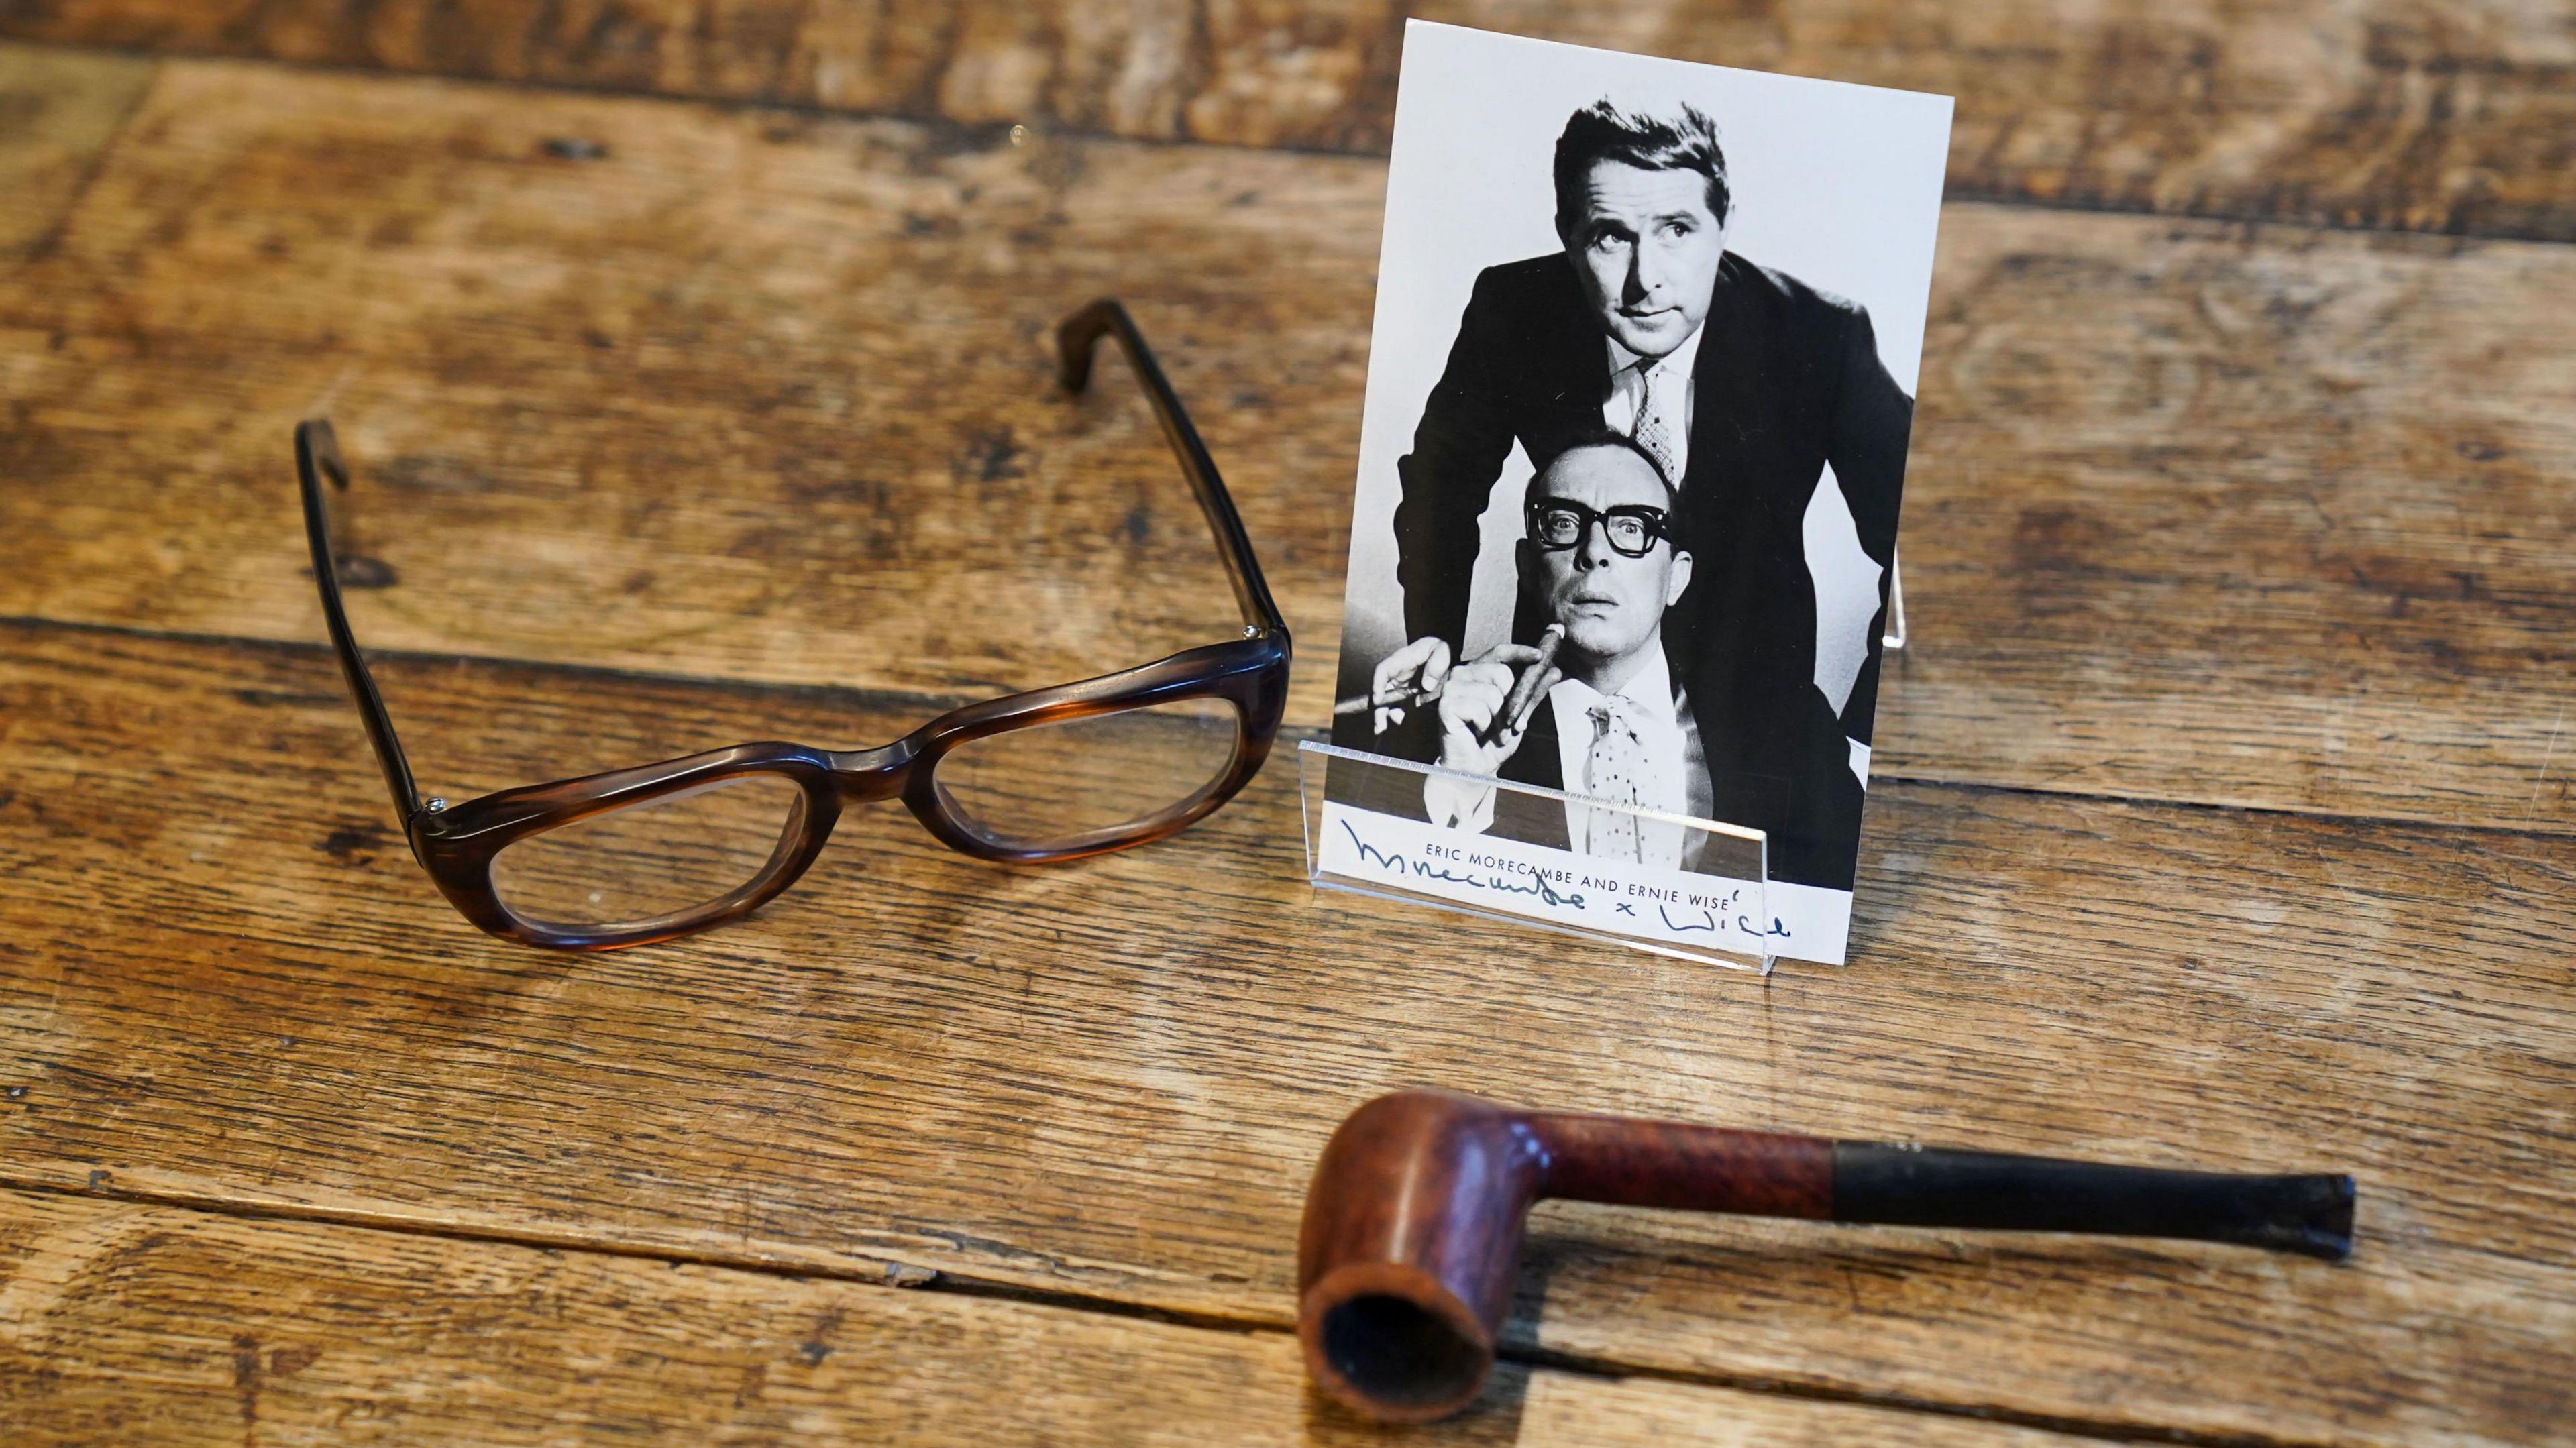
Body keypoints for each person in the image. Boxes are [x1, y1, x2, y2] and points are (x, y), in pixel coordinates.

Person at [1366, 99, 1911, 889]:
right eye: (1610, 235)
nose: (1644, 279)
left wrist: (1870, 726)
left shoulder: (1817, 334)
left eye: (1677, 232)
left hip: (1760, 699)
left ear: (1722, 228)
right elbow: (1441, 482)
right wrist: (1440, 641)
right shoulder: (1514, 308)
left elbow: (1915, 531)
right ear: (1567, 233)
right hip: (1560, 686)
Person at [1384, 435, 1715, 869]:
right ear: (1526, 565)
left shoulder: (1786, 733)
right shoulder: (1446, 729)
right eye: (1563, 523)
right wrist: (1462, 783)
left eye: (1633, 527)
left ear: (1677, 578)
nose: (1595, 552)